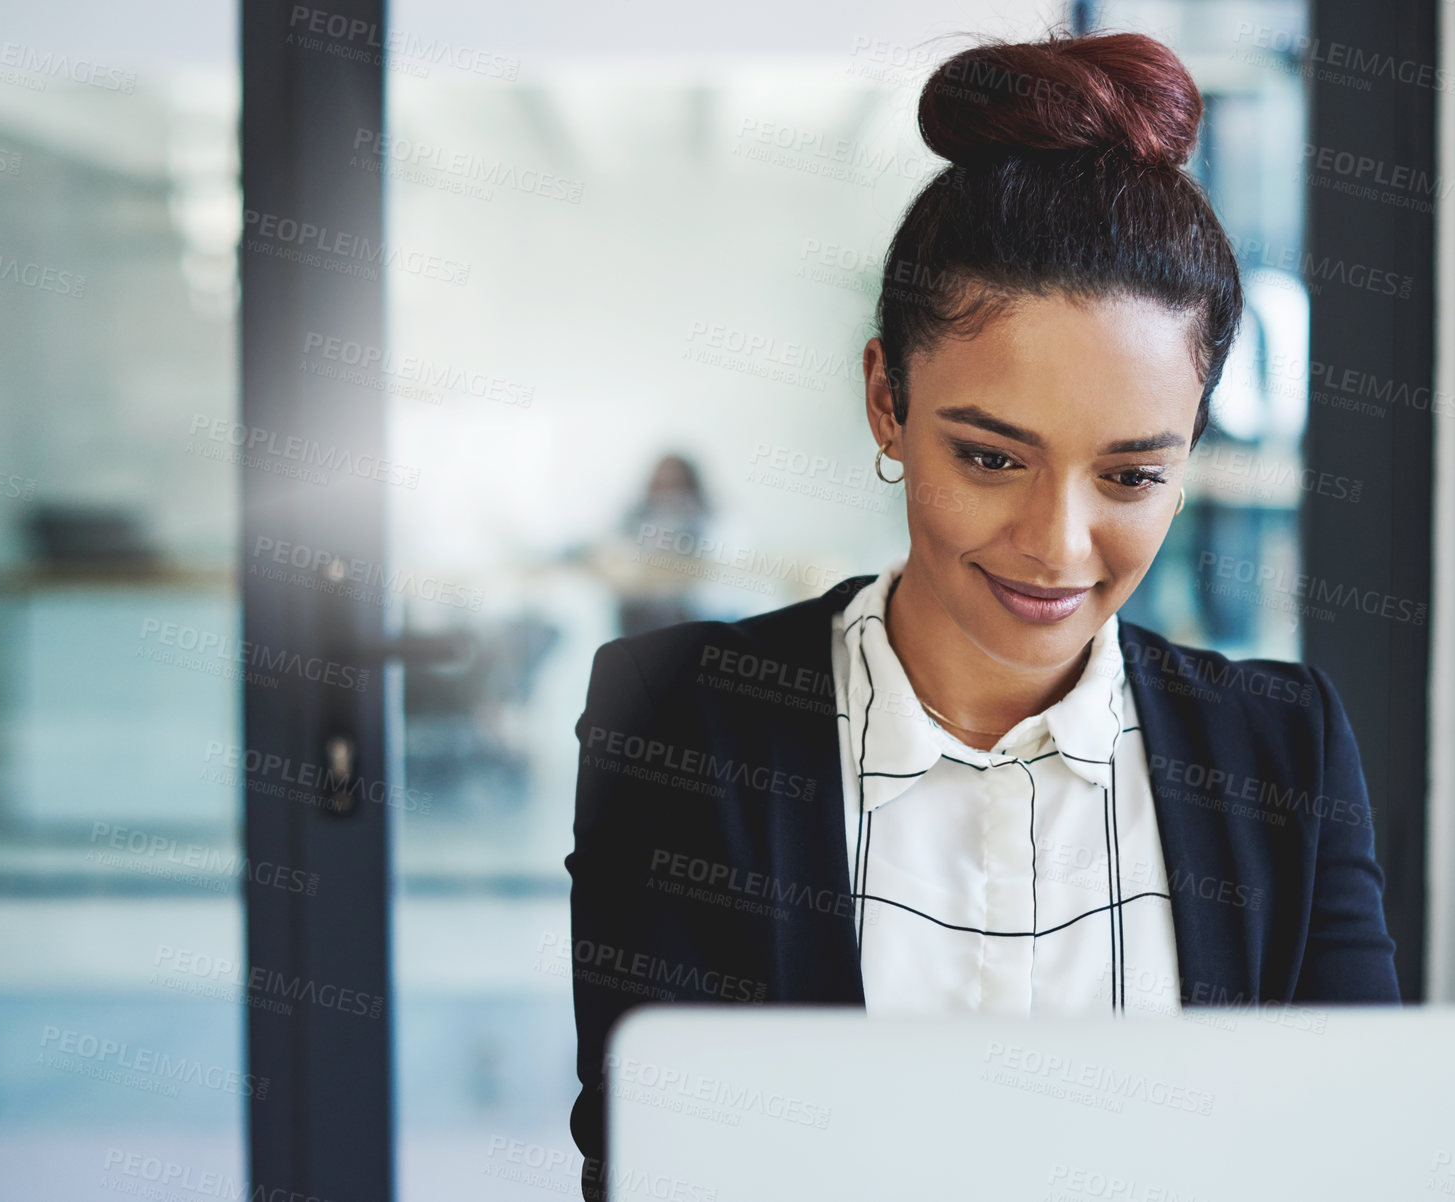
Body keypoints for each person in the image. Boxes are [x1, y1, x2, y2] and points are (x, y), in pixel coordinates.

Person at [564, 29, 1398, 1198]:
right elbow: (653, 1158)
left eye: (1130, 475)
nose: (1058, 546)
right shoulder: (685, 719)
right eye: (992, 457)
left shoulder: (1281, 749)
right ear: (885, 402)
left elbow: (1356, 1154)